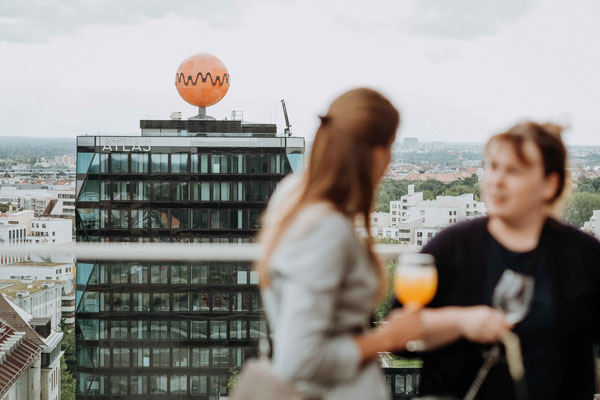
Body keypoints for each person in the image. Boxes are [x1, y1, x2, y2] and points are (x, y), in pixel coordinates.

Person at [256, 88, 510, 400]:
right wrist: (388, 337)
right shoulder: (326, 229)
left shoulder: (292, 196)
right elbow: (300, 360)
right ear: (377, 154)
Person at [396, 122, 600, 399]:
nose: (497, 180)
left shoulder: (584, 255)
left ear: (549, 184)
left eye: (513, 171)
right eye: (492, 167)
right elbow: (398, 331)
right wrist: (460, 321)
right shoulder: (452, 245)